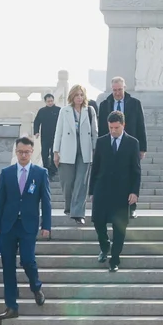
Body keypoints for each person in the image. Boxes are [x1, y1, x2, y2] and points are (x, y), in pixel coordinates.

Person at [0, 136, 52, 316]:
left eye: (26, 152)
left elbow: (46, 202)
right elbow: (0, 201)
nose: (23, 155)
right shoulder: (7, 173)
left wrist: (46, 225)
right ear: (15, 152)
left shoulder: (40, 173)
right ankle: (11, 306)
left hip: (28, 225)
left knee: (27, 260)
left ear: (32, 152)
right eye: (20, 152)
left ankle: (36, 286)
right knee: (8, 266)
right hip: (8, 225)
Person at [90, 113, 141, 273]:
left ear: (123, 125)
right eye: (110, 128)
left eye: (116, 128)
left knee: (120, 228)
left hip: (122, 191)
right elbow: (95, 167)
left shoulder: (132, 143)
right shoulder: (101, 142)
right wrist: (91, 190)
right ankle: (105, 246)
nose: (113, 131)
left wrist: (134, 192)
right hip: (102, 189)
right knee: (98, 221)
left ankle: (115, 259)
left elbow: (136, 170)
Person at [53, 83, 98, 224]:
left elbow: (95, 132)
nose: (79, 97)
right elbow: (58, 132)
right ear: (72, 96)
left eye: (81, 94)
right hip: (67, 150)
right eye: (76, 95)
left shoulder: (89, 110)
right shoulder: (64, 111)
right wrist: (56, 151)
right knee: (67, 183)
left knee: (81, 183)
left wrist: (96, 151)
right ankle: (69, 207)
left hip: (84, 151)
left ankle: (78, 213)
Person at [99, 76, 148, 155]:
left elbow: (140, 126)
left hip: (130, 144)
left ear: (124, 88)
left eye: (120, 89)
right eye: (115, 90)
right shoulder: (104, 105)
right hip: (110, 145)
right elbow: (101, 127)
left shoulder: (135, 104)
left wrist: (142, 148)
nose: (117, 93)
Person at [31, 92, 61, 177]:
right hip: (45, 136)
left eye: (51, 101)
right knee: (44, 153)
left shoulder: (59, 110)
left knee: (53, 152)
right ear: (45, 102)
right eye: (48, 101)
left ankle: (53, 169)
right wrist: (36, 132)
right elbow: (37, 122)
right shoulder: (42, 111)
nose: (50, 103)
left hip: (56, 136)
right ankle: (45, 168)